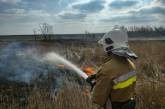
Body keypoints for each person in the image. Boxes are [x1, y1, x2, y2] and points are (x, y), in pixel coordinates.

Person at [87, 27, 138, 109]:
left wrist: (94, 87)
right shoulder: (131, 64)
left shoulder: (106, 70)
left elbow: (98, 100)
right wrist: (99, 78)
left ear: (109, 46)